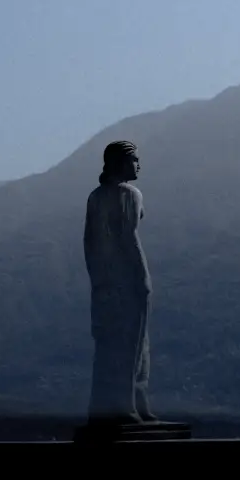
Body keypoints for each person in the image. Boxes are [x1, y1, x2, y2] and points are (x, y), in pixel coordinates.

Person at [84, 141, 155, 422]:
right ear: (120, 162)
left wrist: (97, 279)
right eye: (134, 159)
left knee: (110, 343)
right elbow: (129, 237)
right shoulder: (129, 194)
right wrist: (143, 277)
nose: (139, 164)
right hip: (127, 279)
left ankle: (119, 403)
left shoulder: (95, 196)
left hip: (104, 281)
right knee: (133, 342)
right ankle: (127, 405)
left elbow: (89, 243)